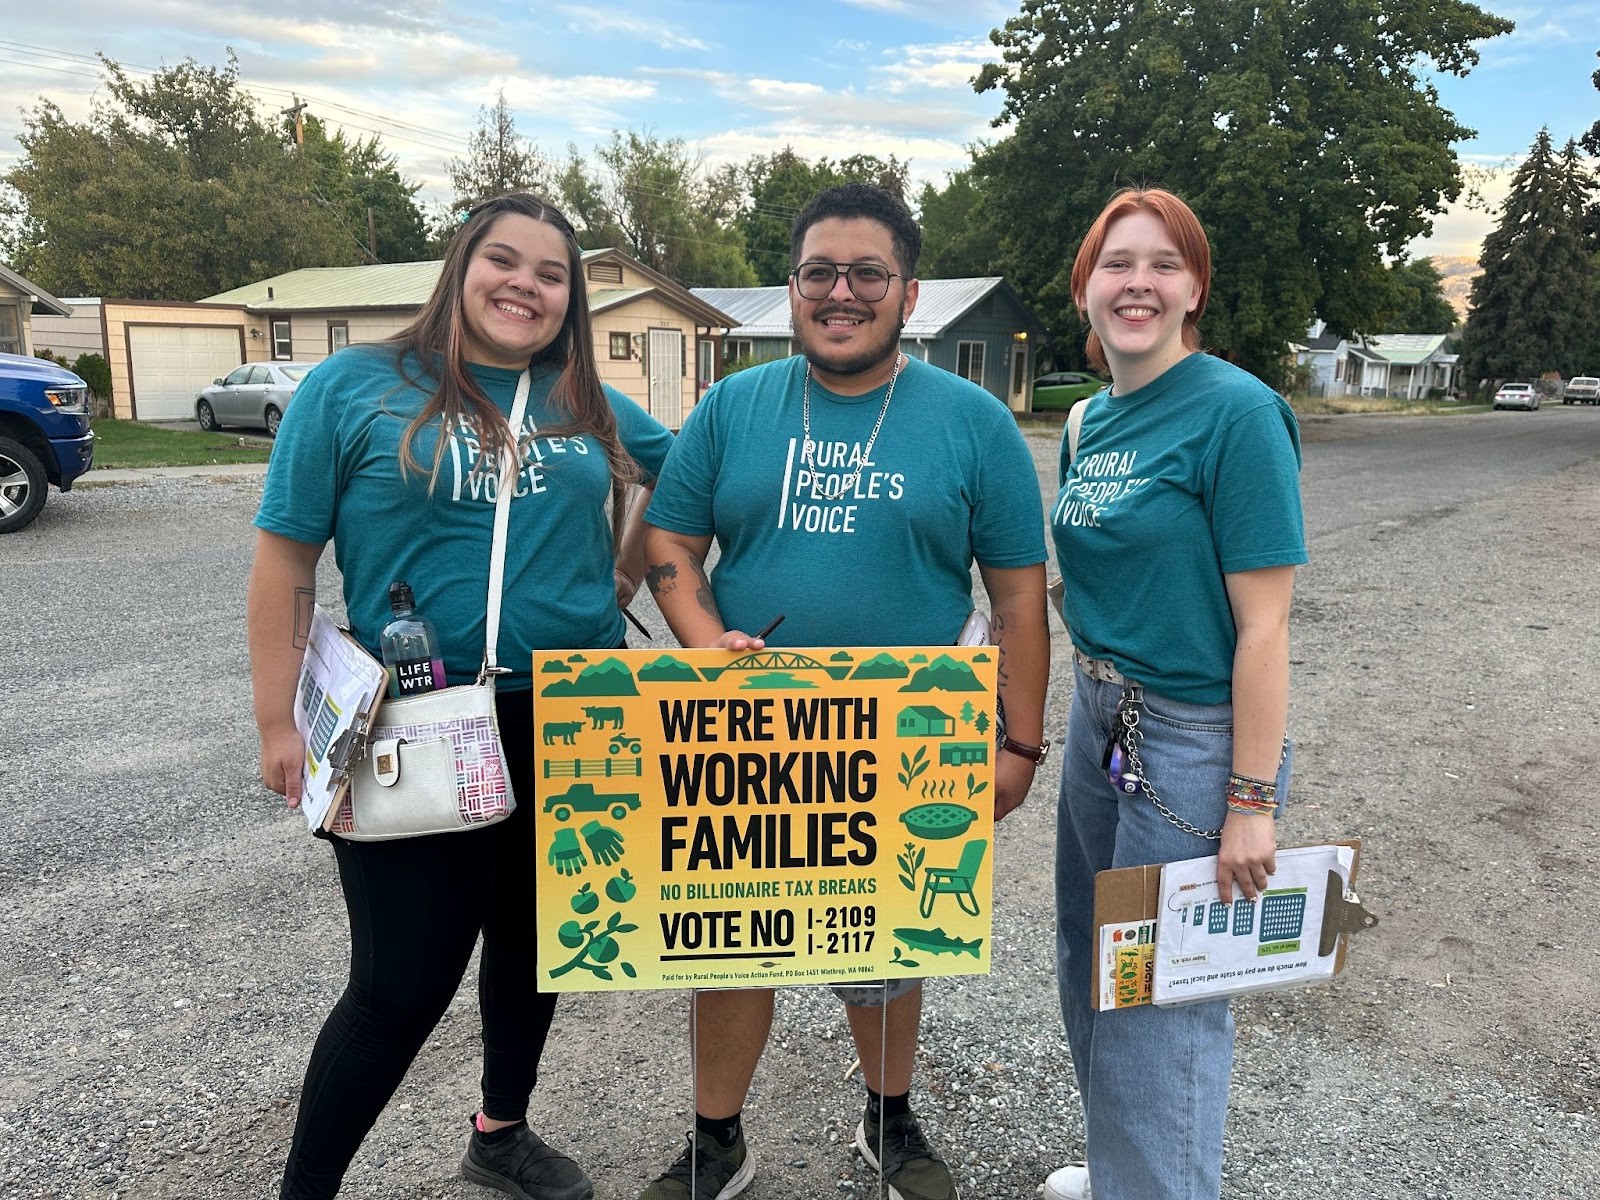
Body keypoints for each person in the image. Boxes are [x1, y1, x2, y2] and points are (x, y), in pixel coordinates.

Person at [246, 193, 673, 1200]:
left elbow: (684, 480)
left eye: (552, 273)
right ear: (460, 265)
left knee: (537, 949)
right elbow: (284, 560)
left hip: (573, 715)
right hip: (416, 721)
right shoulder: (356, 387)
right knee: (397, 988)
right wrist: (277, 721)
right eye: (504, 260)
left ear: (570, 300)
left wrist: (621, 576)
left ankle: (501, 1135)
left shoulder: (582, 400)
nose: (525, 283)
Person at [639, 183, 1051, 1200]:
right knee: (731, 943)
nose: (841, 291)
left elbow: (1018, 598)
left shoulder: (971, 423)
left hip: (905, 736)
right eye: (819, 271)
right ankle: (715, 1141)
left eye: (867, 273)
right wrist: (701, 645)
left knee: (884, 943)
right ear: (790, 289)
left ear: (908, 293)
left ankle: (887, 1118)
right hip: (743, 731)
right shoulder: (732, 408)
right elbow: (668, 546)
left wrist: (1020, 742)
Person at [1043, 188, 1307, 1200]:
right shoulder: (1083, 421)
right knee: (1090, 958)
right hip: (1099, 715)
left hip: (1195, 738)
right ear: (1084, 288)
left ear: (1194, 287)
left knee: (1163, 998)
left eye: (1162, 264)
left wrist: (1251, 800)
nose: (1137, 283)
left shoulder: (1237, 414)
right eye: (1117, 264)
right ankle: (1125, 1170)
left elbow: (1265, 626)